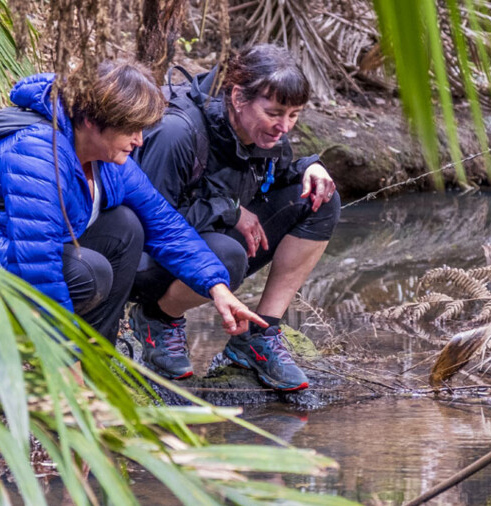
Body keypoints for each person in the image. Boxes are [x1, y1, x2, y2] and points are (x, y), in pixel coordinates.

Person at [0, 60, 264, 349]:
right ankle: (60, 365)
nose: (140, 140)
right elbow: (39, 266)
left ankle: (98, 358)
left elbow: (165, 225)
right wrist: (65, 362)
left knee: (126, 225)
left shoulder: (109, 162)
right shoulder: (38, 153)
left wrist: (218, 289)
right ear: (92, 121)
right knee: (90, 271)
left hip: (2, 263)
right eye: (132, 129)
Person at [130, 44, 340, 391]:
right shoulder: (177, 132)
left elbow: (281, 177)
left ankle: (259, 334)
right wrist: (229, 209)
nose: (284, 127)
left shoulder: (265, 135)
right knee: (228, 255)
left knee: (321, 199)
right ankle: (157, 319)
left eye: (294, 115)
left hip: (209, 239)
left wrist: (310, 167)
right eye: (274, 113)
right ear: (239, 97)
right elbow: (148, 221)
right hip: (145, 260)